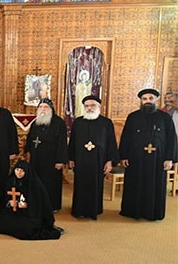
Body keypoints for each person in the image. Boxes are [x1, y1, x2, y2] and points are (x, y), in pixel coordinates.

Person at [119, 89, 176, 220]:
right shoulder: (133, 117)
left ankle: (153, 213)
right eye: (144, 99)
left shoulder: (165, 117)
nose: (147, 101)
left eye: (150, 98)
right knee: (135, 184)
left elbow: (172, 138)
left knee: (155, 186)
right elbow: (126, 138)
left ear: (156, 100)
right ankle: (133, 212)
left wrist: (169, 158)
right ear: (141, 101)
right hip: (136, 159)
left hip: (158, 159)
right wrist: (124, 156)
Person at [68, 95, 119, 219]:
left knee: (96, 185)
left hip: (99, 160)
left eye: (92, 105)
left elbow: (111, 143)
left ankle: (94, 210)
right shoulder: (78, 122)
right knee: (80, 184)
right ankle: (79, 210)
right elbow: (72, 142)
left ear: (99, 107)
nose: (89, 108)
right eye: (86, 106)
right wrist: (71, 158)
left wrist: (110, 161)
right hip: (80, 160)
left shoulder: (106, 122)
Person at [0, 160, 63, 240]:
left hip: (30, 213)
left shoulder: (34, 184)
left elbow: (38, 203)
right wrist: (9, 203)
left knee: (26, 228)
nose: (19, 173)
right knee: (3, 221)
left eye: (22, 171)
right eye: (17, 170)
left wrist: (27, 205)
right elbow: (5, 197)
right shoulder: (11, 181)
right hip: (15, 211)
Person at [25, 98, 68, 212]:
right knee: (35, 181)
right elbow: (29, 139)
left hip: (51, 159)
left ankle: (52, 205)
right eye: (41, 107)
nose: (43, 109)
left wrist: (60, 160)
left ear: (51, 109)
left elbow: (62, 143)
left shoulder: (59, 122)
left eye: (46, 107)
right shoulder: (36, 122)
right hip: (36, 158)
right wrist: (28, 152)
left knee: (51, 183)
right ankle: (36, 204)